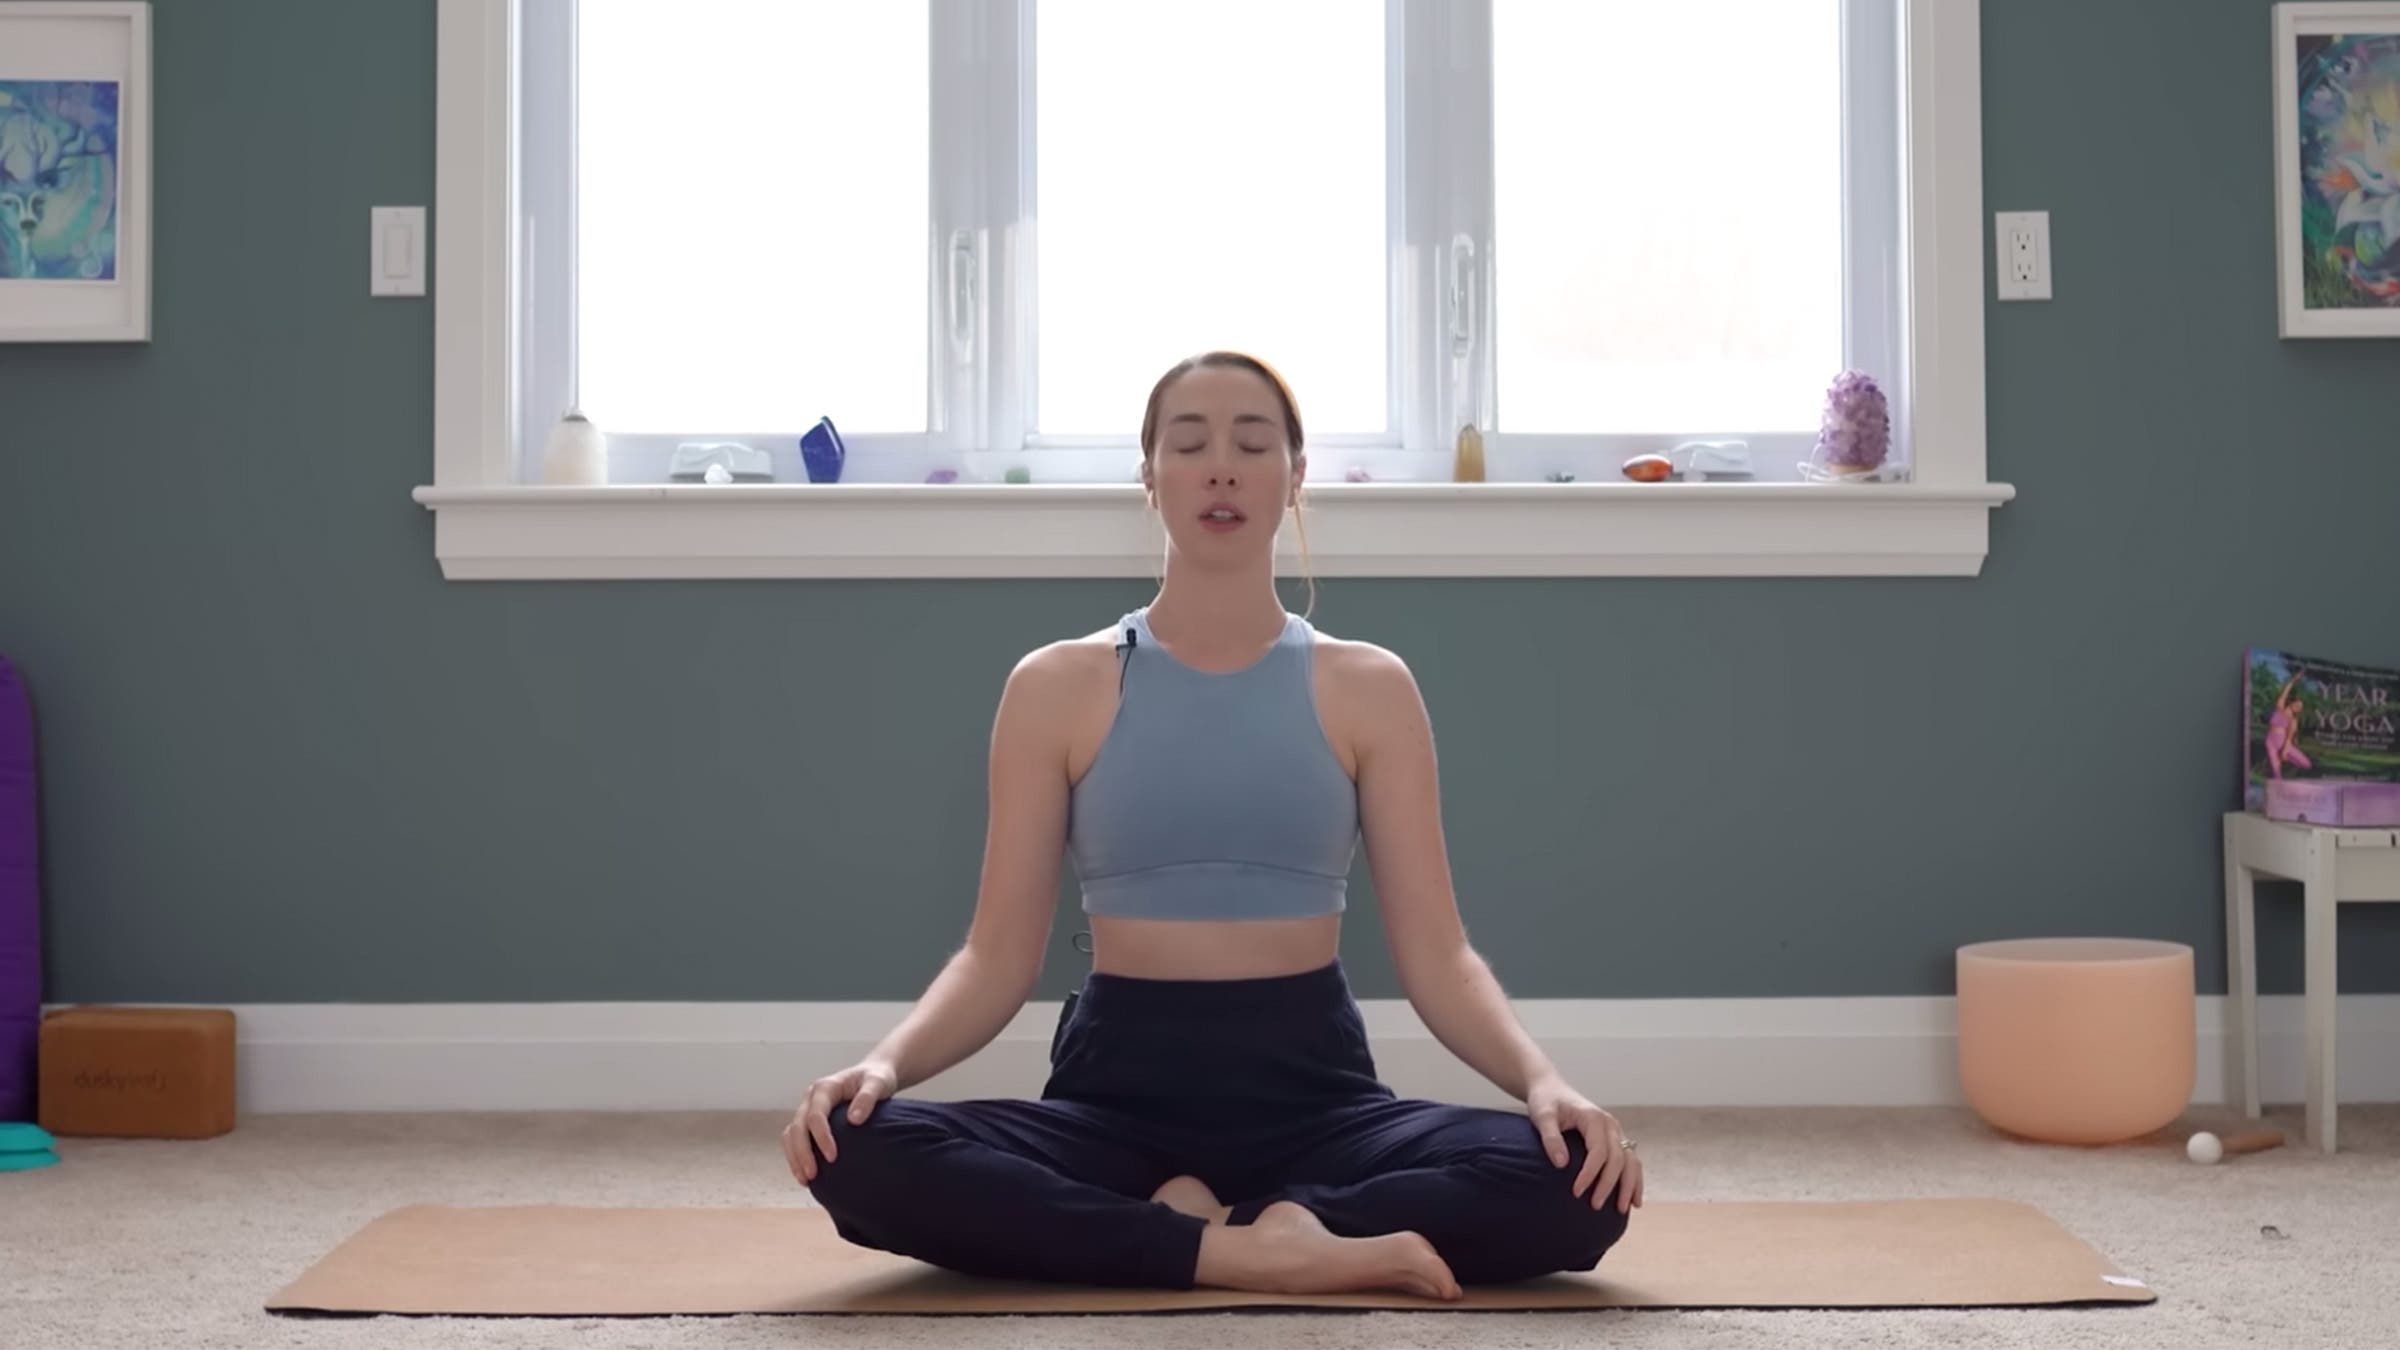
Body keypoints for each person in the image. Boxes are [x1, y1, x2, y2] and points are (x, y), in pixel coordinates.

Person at [780, 351, 1641, 1301]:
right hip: (1114, 1098)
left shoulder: (1369, 687)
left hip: (1316, 1096)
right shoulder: (1055, 685)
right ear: (1150, 478)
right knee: (851, 1147)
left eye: (1252, 445)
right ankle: (1257, 1248)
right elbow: (994, 958)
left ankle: (1209, 1228)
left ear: (1295, 476)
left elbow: (1440, 956)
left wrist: (1544, 1084)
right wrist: (883, 1065)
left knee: (1582, 1180)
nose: (1221, 469)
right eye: (1189, 445)